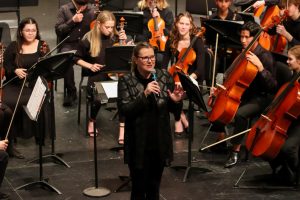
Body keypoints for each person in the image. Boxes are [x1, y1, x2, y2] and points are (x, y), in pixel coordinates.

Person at [117, 42, 184, 200]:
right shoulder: (127, 80)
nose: (150, 61)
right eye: (145, 58)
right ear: (136, 60)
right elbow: (125, 110)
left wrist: (175, 101)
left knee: (154, 188)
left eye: (152, 57)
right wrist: (144, 95)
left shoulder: (163, 76)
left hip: (159, 141)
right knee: (139, 190)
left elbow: (174, 112)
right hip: (138, 143)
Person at [212, 21, 277, 168]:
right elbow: (230, 74)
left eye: (246, 37)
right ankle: (221, 141)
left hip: (262, 97)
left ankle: (235, 151)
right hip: (244, 93)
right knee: (218, 104)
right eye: (241, 36)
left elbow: (272, 86)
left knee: (241, 114)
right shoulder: (244, 52)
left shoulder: (265, 56)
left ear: (256, 37)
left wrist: (260, 68)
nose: (242, 40)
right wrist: (220, 87)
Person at [74, 10, 129, 137]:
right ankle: (92, 120)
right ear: (99, 24)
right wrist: (90, 65)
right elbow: (76, 58)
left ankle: (122, 127)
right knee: (98, 97)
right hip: (98, 74)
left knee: (124, 94)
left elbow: (124, 58)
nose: (110, 30)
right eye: (107, 27)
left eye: (112, 27)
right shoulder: (88, 39)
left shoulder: (116, 37)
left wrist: (124, 43)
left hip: (114, 73)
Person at [3, 17, 51, 159]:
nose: (31, 33)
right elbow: (7, 66)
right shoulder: (14, 46)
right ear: (21, 31)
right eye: (27, 30)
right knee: (6, 103)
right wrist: (15, 71)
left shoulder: (42, 45)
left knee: (34, 100)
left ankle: (38, 136)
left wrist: (43, 60)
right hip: (14, 84)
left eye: (33, 30)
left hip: (33, 85)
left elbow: (48, 66)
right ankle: (9, 142)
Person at [162, 12, 206, 137]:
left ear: (191, 26)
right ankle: (182, 118)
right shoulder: (171, 40)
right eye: (181, 23)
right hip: (176, 73)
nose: (183, 27)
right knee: (165, 89)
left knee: (175, 92)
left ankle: (178, 122)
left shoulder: (197, 41)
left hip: (192, 77)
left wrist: (185, 79)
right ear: (176, 24)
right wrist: (164, 77)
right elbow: (164, 63)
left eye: (187, 24)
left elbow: (201, 69)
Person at [269, 45, 300, 185]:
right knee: (270, 145)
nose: (287, 61)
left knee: (287, 148)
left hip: (298, 122)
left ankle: (296, 171)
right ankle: (286, 172)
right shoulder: (294, 76)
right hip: (289, 118)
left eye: (290, 59)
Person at [55, 0, 96, 107]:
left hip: (86, 45)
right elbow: (58, 30)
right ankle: (71, 91)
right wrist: (72, 20)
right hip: (69, 44)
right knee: (66, 59)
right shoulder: (64, 9)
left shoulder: (93, 11)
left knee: (100, 56)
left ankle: (94, 90)